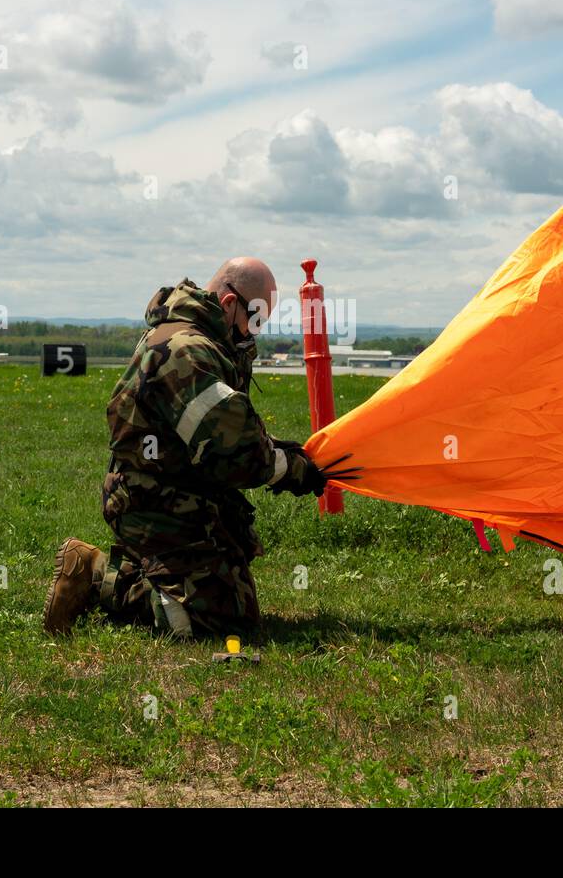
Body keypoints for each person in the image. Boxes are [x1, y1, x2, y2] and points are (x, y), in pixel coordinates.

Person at [43, 256, 358, 638]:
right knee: (223, 621)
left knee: (235, 596)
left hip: (177, 493)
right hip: (154, 500)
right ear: (229, 305)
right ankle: (97, 576)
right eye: (255, 320)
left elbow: (220, 432)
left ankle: (155, 574)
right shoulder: (188, 350)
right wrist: (290, 469)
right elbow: (233, 452)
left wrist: (279, 451)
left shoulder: (196, 339)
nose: (254, 333)